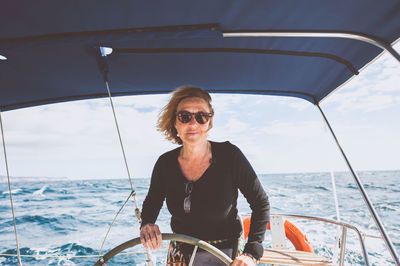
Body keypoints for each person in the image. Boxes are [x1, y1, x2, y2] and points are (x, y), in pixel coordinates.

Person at [140, 85, 270, 265]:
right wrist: (147, 224)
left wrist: (251, 253)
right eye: (185, 117)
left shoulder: (230, 156)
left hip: (227, 253)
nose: (193, 124)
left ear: (209, 122)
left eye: (201, 117)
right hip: (181, 253)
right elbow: (152, 202)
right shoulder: (165, 164)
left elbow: (260, 203)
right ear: (175, 123)